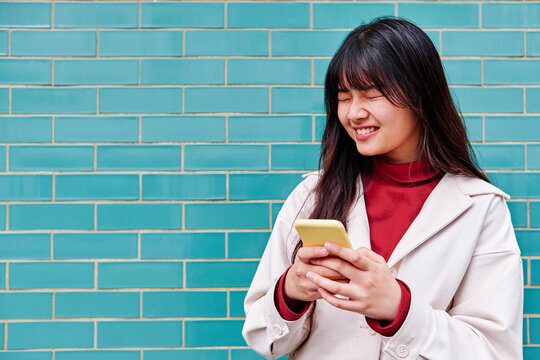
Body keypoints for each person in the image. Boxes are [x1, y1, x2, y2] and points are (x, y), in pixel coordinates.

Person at [242, 18, 523, 360]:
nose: (354, 113)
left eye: (372, 95)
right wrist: (292, 290)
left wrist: (400, 309)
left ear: (420, 95)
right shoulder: (312, 195)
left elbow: (494, 352)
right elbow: (261, 336)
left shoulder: (480, 208)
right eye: (344, 98)